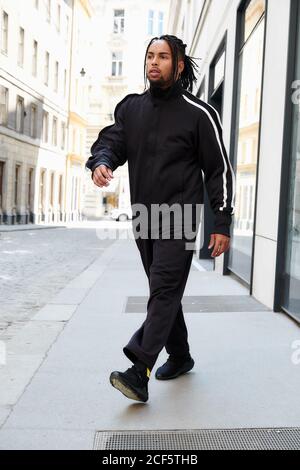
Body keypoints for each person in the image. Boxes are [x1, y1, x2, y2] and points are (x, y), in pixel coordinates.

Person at [85, 34, 235, 403]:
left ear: (178, 65)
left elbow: (219, 171)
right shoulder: (132, 108)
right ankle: (181, 356)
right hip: (144, 216)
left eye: (163, 56)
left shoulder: (199, 114)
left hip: (180, 217)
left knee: (165, 289)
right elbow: (113, 141)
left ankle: (139, 370)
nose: (154, 62)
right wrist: (102, 161)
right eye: (150, 56)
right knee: (163, 293)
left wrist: (222, 222)